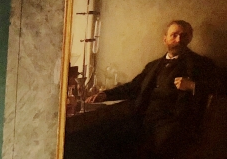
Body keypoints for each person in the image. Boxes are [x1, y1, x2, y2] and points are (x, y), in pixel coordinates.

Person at [87, 20, 219, 150]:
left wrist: (192, 85)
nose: (179, 40)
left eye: (184, 35)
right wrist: (106, 94)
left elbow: (221, 88)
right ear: (165, 39)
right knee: (106, 138)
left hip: (173, 124)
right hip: (144, 120)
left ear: (190, 38)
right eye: (174, 35)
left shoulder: (201, 64)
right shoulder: (153, 66)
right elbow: (133, 87)